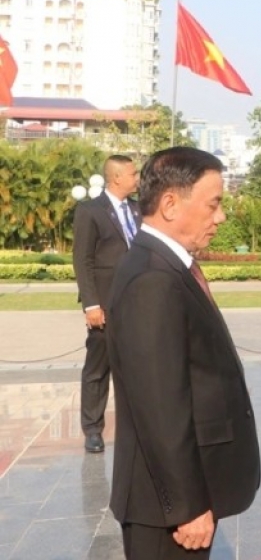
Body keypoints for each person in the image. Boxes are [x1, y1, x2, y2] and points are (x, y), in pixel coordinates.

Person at [106, 147, 260, 559]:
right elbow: (160, 407)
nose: (221, 216)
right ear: (171, 204)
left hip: (173, 497)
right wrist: (188, 505)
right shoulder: (152, 280)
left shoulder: (166, 265)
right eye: (214, 204)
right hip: (165, 509)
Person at [71, 154, 140, 453]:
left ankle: (137, 425)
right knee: (98, 369)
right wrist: (91, 304)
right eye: (134, 174)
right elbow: (82, 260)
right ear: (116, 178)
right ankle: (92, 429)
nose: (138, 179)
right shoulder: (90, 210)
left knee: (136, 367)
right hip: (105, 306)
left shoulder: (138, 210)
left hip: (136, 303)